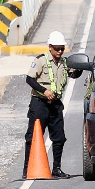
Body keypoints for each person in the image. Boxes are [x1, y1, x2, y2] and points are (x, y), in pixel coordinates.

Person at [23, 30, 83, 180]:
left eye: (62, 48)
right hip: (39, 103)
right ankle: (27, 169)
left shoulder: (64, 63)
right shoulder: (41, 60)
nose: (60, 51)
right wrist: (44, 90)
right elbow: (29, 79)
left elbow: (74, 74)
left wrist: (81, 65)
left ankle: (56, 168)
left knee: (59, 138)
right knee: (33, 137)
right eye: (57, 48)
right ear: (50, 47)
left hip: (55, 104)